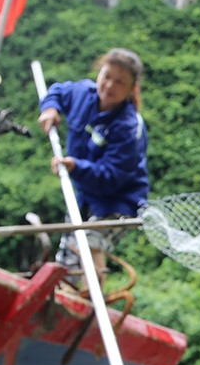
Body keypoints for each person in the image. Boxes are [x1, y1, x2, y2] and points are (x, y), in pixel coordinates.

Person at [37, 48, 150, 276]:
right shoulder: (83, 94)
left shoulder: (129, 127)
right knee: (67, 261)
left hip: (118, 202)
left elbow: (111, 177)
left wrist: (75, 167)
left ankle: (92, 306)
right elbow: (57, 91)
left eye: (120, 82)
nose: (109, 86)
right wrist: (50, 109)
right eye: (106, 76)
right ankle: (64, 302)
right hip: (84, 196)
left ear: (131, 89)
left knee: (89, 244)